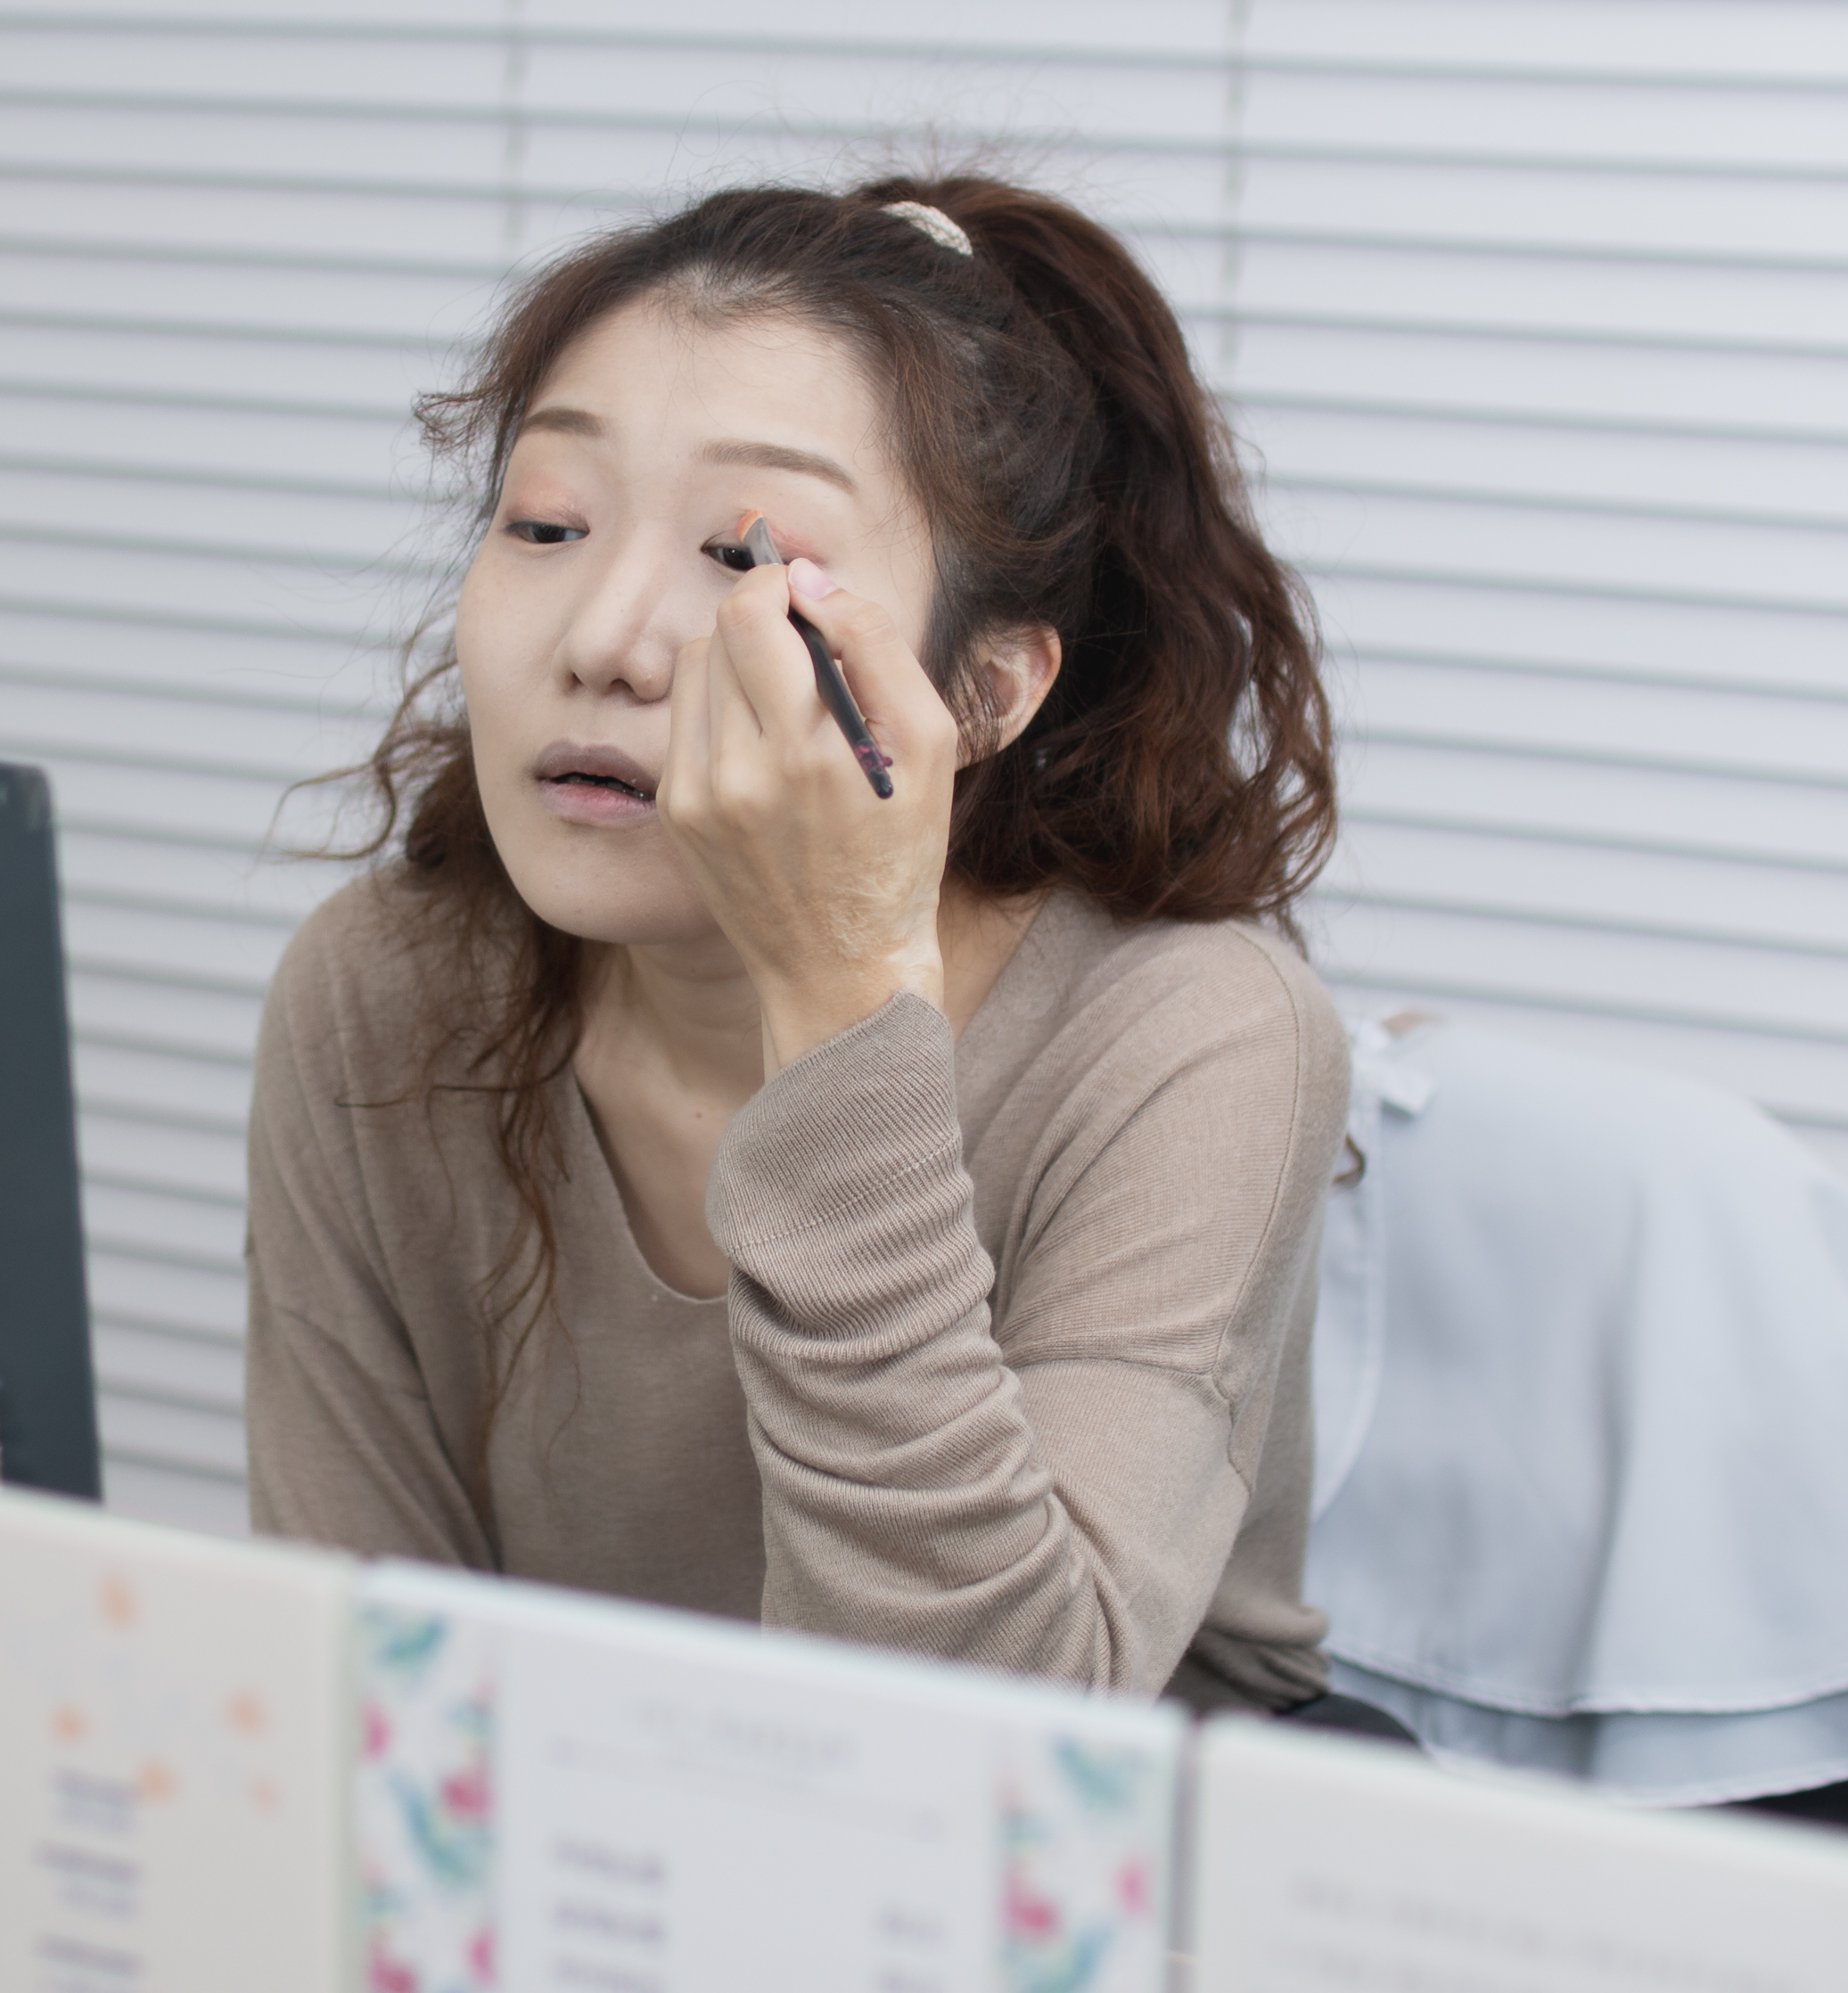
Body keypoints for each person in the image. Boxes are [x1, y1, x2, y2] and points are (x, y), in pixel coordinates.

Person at [243, 175, 1355, 1710]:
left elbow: (982, 1738)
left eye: (741, 559)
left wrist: (842, 1005)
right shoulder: (382, 992)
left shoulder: (1193, 1041)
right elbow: (354, 1681)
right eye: (547, 524)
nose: (604, 640)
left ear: (983, 694)